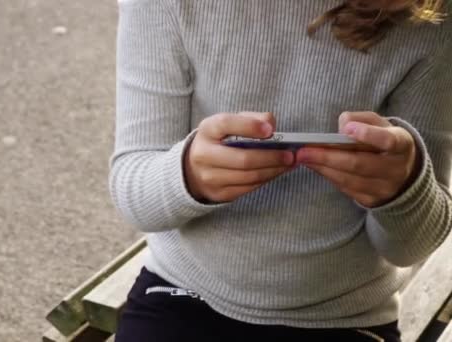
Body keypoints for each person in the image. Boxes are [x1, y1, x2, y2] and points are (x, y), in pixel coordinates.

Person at [108, 0, 452, 341]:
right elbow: (133, 189)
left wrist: (403, 189)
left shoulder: (430, 16)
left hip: (345, 316)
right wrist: (187, 176)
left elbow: (412, 247)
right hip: (181, 291)